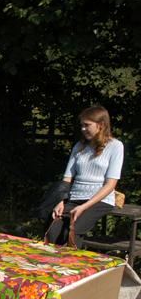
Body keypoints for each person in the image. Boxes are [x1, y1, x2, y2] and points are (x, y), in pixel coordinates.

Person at [45, 106, 123, 247]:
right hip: (75, 197)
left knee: (74, 229)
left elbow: (111, 184)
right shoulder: (79, 146)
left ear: (101, 125)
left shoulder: (115, 147)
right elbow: (67, 178)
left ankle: (73, 265)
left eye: (87, 125)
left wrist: (84, 207)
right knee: (53, 229)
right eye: (82, 125)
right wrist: (60, 201)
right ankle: (50, 264)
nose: (83, 129)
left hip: (100, 199)